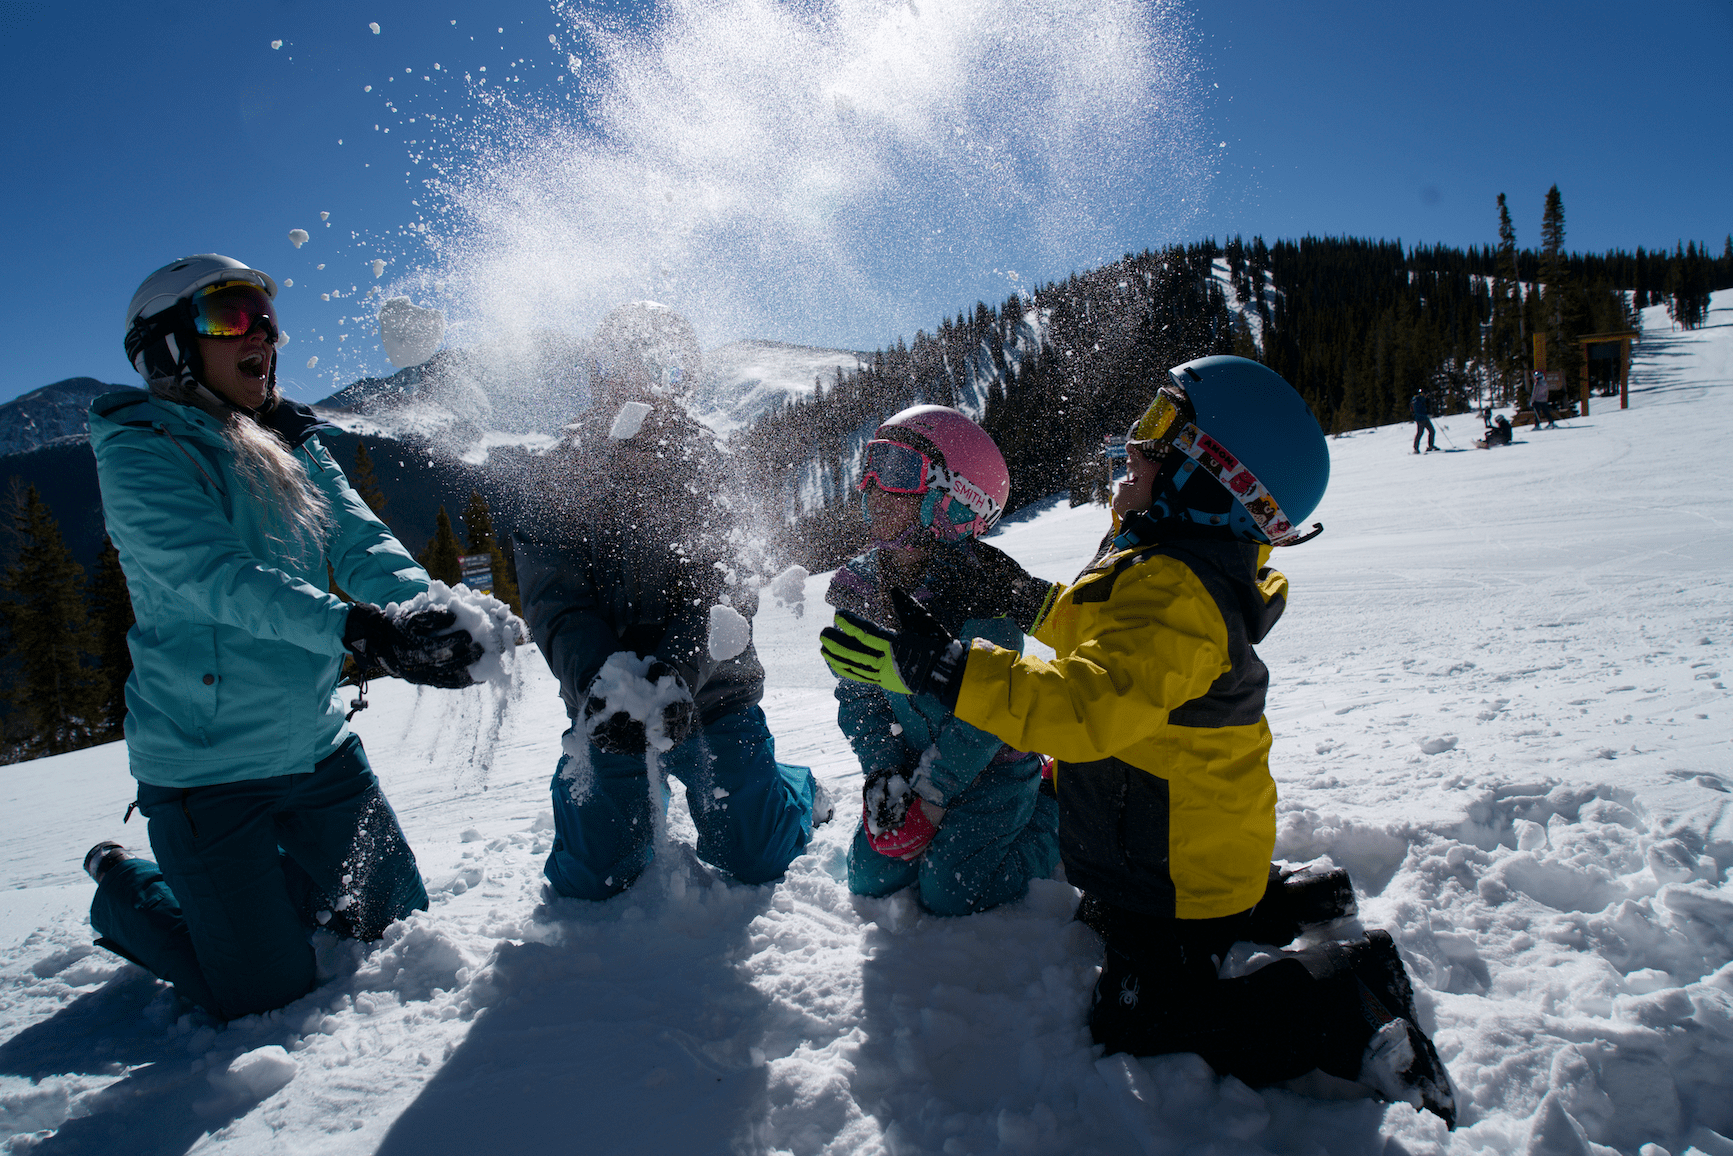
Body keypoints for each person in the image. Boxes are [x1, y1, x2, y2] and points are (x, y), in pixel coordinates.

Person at [821, 356, 1455, 1128]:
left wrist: (947, 666)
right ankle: (1283, 899)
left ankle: (1343, 992)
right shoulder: (1162, 570)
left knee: (1140, 1021)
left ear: (1209, 477)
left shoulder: (1178, 594)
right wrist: (1022, 597)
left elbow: (1086, 706)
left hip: (1174, 862)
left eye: (1157, 433)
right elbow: (1103, 641)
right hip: (1165, 844)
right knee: (1116, 924)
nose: (1131, 446)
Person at [85, 254, 484, 1021]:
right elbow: (212, 575)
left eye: (266, 318)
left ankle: (256, 891)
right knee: (263, 994)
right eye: (232, 315)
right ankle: (125, 888)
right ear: (168, 346)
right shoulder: (139, 450)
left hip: (316, 748)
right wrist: (354, 628)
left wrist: (424, 614)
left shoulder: (290, 440)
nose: (263, 333)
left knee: (397, 927)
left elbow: (358, 543)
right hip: (208, 771)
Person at [514, 301, 826, 902]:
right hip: (605, 702)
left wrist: (678, 674)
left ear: (680, 380)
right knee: (593, 874)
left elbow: (728, 585)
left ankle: (796, 791)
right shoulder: (564, 474)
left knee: (755, 853)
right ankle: (632, 789)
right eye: (621, 366)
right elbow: (555, 603)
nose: (642, 385)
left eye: (660, 368)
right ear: (600, 378)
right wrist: (601, 685)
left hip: (711, 695)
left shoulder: (706, 463)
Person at [826, 406, 1060, 915]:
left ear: (954, 501)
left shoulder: (983, 591)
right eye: (872, 465)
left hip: (992, 768)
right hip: (913, 760)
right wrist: (883, 773)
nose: (874, 487)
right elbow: (859, 696)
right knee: (869, 878)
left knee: (952, 891)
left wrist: (932, 798)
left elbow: (984, 718)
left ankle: (1052, 811)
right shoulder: (863, 589)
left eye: (899, 471)